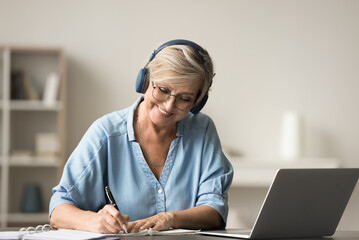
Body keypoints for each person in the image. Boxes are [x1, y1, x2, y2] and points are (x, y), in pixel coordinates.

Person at [49, 39, 233, 234]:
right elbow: (58, 210)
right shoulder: (106, 133)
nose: (169, 106)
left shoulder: (203, 130)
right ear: (145, 80)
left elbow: (215, 211)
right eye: (163, 90)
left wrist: (169, 218)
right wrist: (93, 221)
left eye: (185, 98)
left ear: (198, 102)